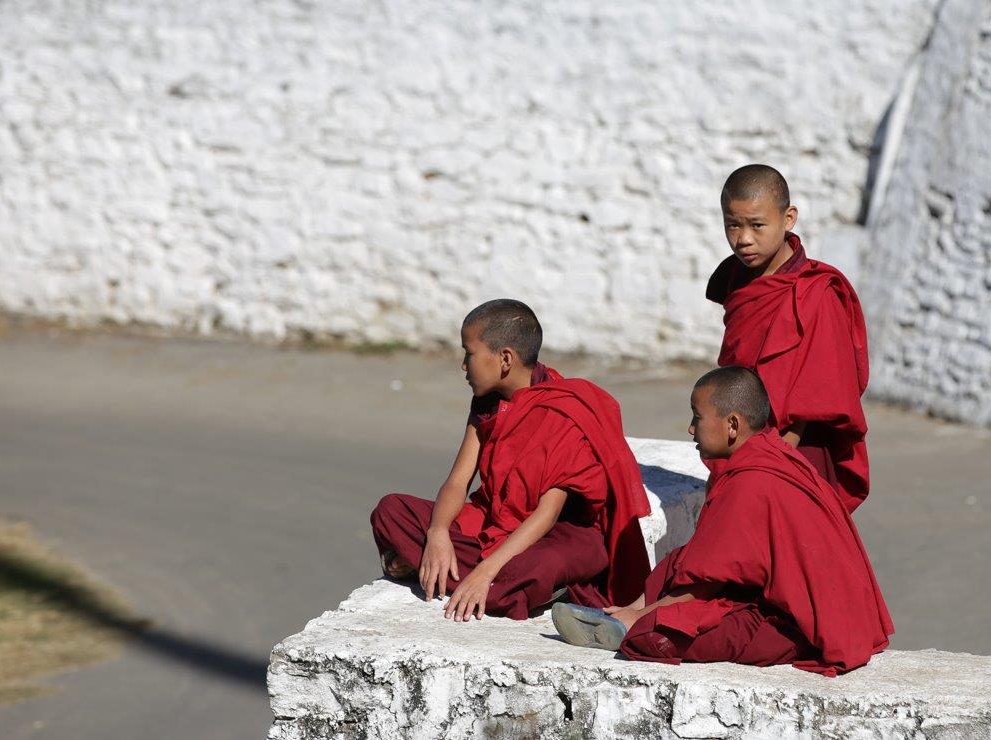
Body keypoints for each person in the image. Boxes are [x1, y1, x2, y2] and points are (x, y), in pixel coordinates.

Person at [552, 366, 893, 676]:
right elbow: (711, 560)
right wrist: (635, 607)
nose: (690, 428)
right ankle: (622, 616)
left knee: (656, 638)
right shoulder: (773, 454)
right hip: (794, 601)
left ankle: (627, 627)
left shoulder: (751, 480)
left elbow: (707, 580)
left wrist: (643, 617)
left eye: (697, 417)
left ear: (732, 425)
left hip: (801, 626)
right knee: (681, 560)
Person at [371, 298, 649, 622]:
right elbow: (459, 481)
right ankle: (483, 583)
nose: (463, 365)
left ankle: (456, 575)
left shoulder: (563, 409)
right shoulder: (486, 403)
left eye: (469, 354)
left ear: (504, 359)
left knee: (541, 567)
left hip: (554, 535)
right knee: (391, 510)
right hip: (491, 523)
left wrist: (485, 572)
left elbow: (545, 516)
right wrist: (437, 532)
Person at [706, 164, 870, 511]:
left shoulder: (816, 292)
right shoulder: (737, 279)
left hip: (797, 450)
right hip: (742, 444)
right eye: (732, 225)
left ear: (788, 218)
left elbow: (821, 389)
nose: (743, 239)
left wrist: (773, 457)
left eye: (757, 225)